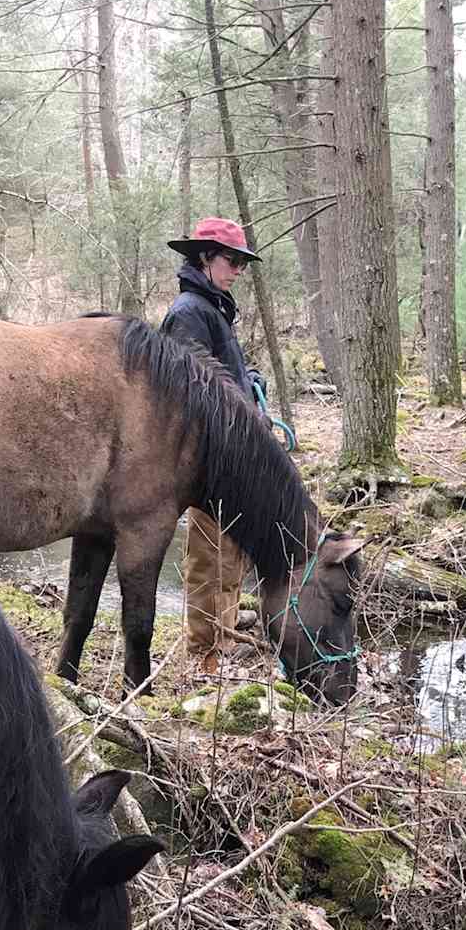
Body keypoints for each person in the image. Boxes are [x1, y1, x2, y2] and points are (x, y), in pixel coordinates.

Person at [161, 216, 264, 675]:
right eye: (232, 260)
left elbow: (223, 376)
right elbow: (192, 390)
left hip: (233, 449)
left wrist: (249, 383)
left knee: (232, 546)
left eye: (242, 262)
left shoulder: (214, 307)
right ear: (204, 257)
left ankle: (224, 626)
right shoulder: (188, 312)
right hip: (208, 454)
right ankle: (205, 652)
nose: (238, 269)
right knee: (210, 549)